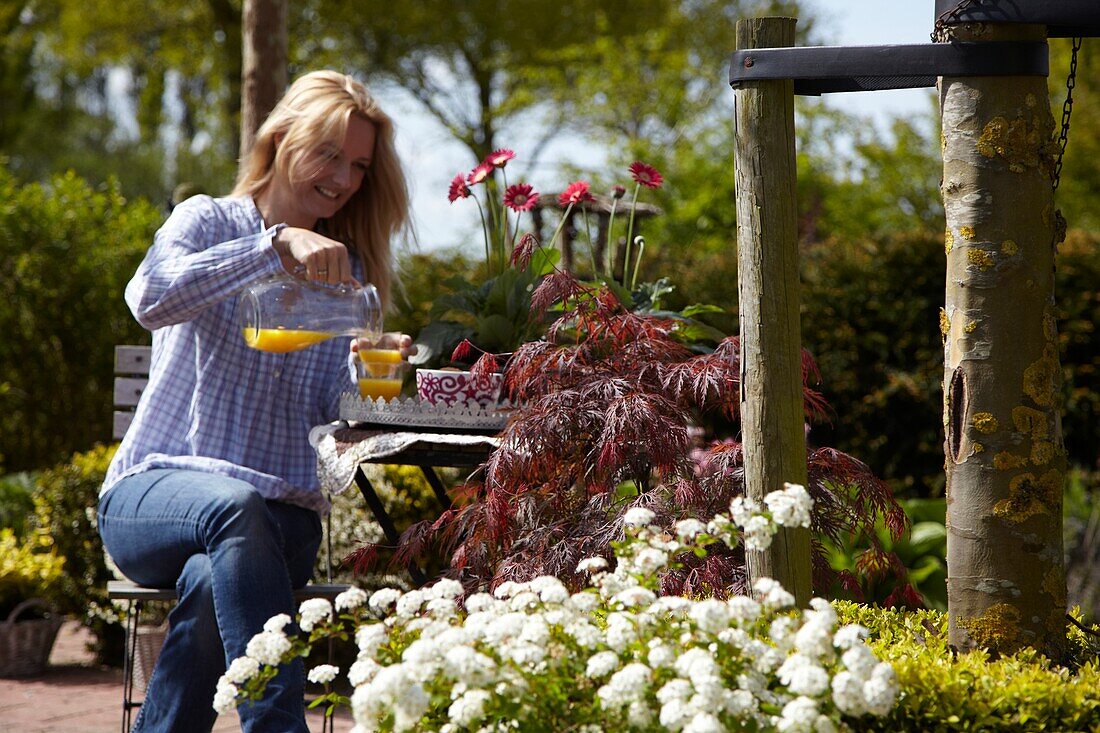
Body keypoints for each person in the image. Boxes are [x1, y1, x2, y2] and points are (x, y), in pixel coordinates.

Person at [98, 70, 413, 732]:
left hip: (279, 521)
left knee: (218, 576)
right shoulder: (207, 220)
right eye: (329, 153)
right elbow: (148, 297)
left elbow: (335, 420)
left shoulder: (347, 279)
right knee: (230, 508)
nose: (344, 178)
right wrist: (271, 247)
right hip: (151, 499)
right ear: (281, 138)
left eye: (358, 165)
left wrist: (376, 373)